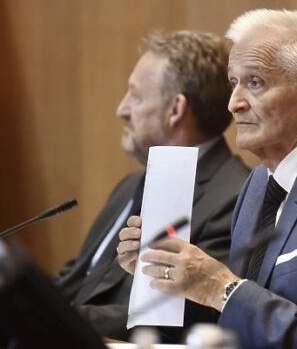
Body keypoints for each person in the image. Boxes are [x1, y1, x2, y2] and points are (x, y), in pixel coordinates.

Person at [117, 9, 297, 348]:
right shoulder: (260, 183)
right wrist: (168, 275)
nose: (234, 104)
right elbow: (236, 320)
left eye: (255, 83)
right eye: (234, 83)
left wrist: (221, 287)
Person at [56, 30, 249, 340]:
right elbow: (78, 277)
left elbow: (182, 316)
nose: (121, 109)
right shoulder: (131, 184)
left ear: (175, 110)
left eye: (135, 96)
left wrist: (61, 320)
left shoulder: (236, 197)